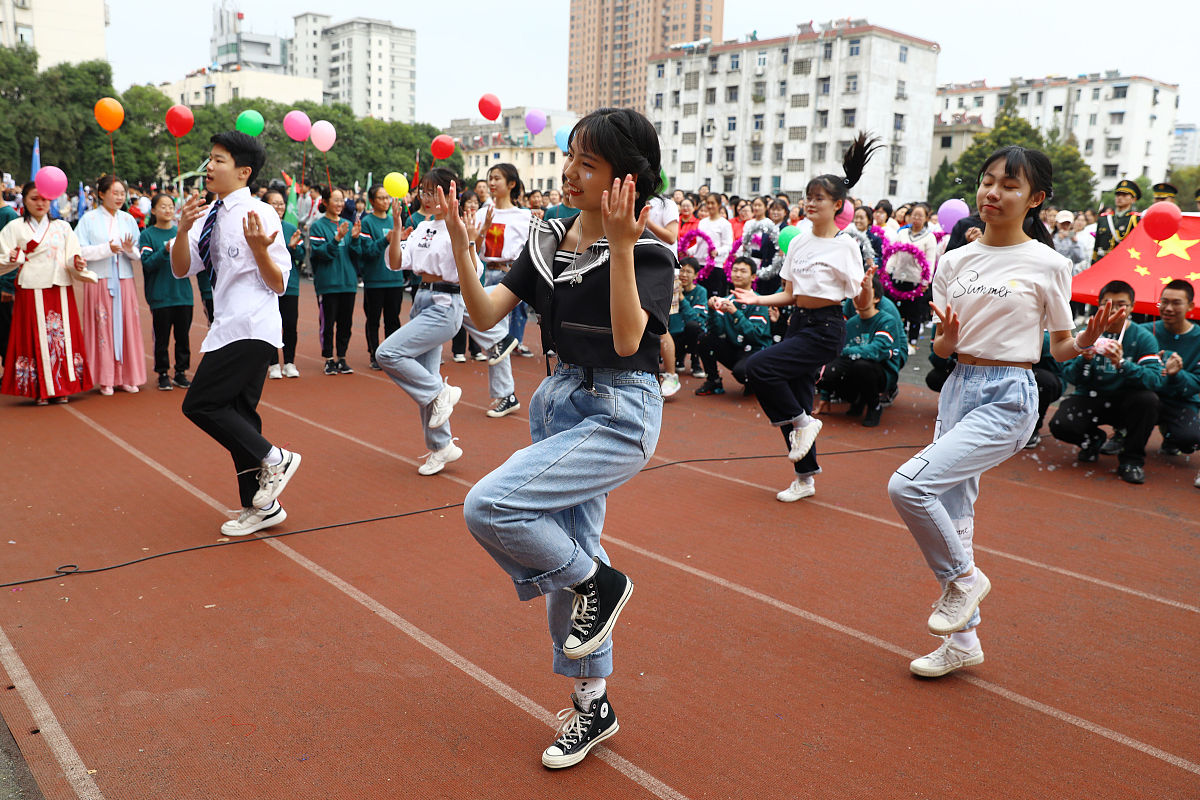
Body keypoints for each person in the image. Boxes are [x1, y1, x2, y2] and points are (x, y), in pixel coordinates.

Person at [444, 108, 674, 770]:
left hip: (619, 413)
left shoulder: (652, 252)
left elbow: (632, 341)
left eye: (588, 163)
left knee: (493, 505)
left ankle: (600, 582)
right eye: (571, 155)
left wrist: (625, 246)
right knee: (570, 566)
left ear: (626, 181)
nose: (571, 171)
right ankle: (592, 704)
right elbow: (489, 317)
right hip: (558, 402)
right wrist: (463, 246)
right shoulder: (547, 236)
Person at [889, 145, 1123, 678]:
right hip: (958, 387)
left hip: (1009, 394)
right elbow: (942, 352)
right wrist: (944, 343)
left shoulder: (1050, 263)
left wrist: (1086, 339)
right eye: (987, 181)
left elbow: (1058, 347)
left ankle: (965, 579)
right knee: (954, 514)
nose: (993, 192)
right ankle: (963, 642)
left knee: (908, 486)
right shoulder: (954, 261)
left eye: (1010, 185)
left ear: (1036, 199)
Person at [737, 134, 880, 503]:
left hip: (826, 327)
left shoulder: (846, 245)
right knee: (798, 396)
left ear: (838, 205)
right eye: (808, 196)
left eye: (818, 198)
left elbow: (858, 298)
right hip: (797, 322)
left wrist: (866, 286)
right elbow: (790, 293)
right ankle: (805, 477)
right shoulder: (798, 240)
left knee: (759, 369)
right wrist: (756, 297)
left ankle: (803, 422)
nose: (810, 203)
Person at [171, 131, 301, 536]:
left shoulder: (259, 213)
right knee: (240, 416)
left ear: (243, 171)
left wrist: (261, 251)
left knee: (201, 404)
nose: (209, 166)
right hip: (225, 324)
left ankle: (275, 457)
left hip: (252, 326)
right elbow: (180, 269)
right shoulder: (208, 215)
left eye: (219, 160)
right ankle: (261, 508)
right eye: (209, 158)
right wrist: (180, 230)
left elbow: (279, 283)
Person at [376, 167, 470, 476]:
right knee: (424, 378)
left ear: (449, 193)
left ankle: (440, 392)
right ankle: (442, 447)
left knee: (387, 353)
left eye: (434, 191)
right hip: (421, 300)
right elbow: (395, 263)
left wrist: (463, 236)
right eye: (424, 191)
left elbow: (473, 271)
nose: (426, 197)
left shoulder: (457, 227)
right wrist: (396, 227)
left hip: (445, 305)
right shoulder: (421, 227)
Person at [1049, 280, 1163, 483]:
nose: (1114, 309)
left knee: (1149, 401)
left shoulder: (1143, 337)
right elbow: (1068, 375)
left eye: (1121, 304)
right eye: (1107, 303)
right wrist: (1083, 359)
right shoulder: (1086, 331)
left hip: (1125, 401)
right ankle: (1093, 440)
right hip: (1090, 398)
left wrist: (1122, 364)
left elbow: (1154, 380)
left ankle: (1131, 460)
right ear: (1098, 304)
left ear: (1132, 307)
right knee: (1060, 424)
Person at [0, 182, 93, 403]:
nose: (40, 203)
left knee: (62, 337)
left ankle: (63, 386)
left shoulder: (63, 227)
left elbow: (72, 254)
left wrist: (77, 262)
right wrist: (16, 257)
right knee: (33, 334)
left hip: (58, 286)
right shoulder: (15, 228)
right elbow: (4, 256)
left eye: (44, 199)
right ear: (24, 200)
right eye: (34, 198)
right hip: (30, 287)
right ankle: (38, 389)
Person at [75, 175, 147, 394]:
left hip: (124, 279)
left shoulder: (128, 219)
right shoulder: (89, 219)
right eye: (114, 193)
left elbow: (138, 253)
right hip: (100, 279)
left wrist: (127, 249)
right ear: (101, 194)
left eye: (122, 194)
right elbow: (79, 250)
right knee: (102, 328)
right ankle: (105, 377)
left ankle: (128, 375)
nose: (119, 197)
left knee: (127, 325)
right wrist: (107, 248)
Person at [818, 273, 906, 428]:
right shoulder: (851, 323)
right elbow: (836, 351)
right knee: (825, 372)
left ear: (877, 298)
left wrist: (847, 352)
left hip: (882, 370)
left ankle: (874, 406)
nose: (859, 297)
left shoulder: (886, 319)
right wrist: (824, 393)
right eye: (856, 293)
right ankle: (857, 399)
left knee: (862, 366)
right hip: (854, 363)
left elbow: (877, 350)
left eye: (865, 292)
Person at [1146, 281, 1200, 489]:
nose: (1168, 308)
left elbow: (1196, 384)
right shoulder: (1145, 331)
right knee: (1140, 400)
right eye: (1164, 302)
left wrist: (1177, 375)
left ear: (1190, 306)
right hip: (1147, 398)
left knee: (1190, 440)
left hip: (1181, 401)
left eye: (1176, 303)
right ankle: (1124, 432)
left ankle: (1171, 436)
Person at [138, 193, 193, 391]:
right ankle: (162, 373)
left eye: (170, 206)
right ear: (153, 210)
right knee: (161, 338)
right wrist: (165, 251)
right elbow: (147, 263)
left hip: (183, 295)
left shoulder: (181, 232)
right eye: (163, 206)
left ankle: (180, 372)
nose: (168, 210)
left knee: (183, 337)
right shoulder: (147, 235)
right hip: (161, 296)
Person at [694, 257, 770, 396]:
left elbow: (755, 336)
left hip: (756, 351)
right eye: (735, 270)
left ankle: (755, 382)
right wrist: (712, 310)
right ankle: (714, 381)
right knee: (704, 338)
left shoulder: (758, 301)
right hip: (735, 349)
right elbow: (716, 331)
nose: (738, 274)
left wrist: (735, 312)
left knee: (742, 372)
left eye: (743, 271)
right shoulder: (727, 300)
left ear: (753, 277)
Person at [353, 184, 405, 371]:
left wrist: (403, 237)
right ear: (372, 201)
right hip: (375, 280)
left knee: (393, 319)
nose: (386, 201)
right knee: (374, 319)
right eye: (381, 198)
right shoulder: (367, 223)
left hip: (395, 279)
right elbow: (367, 252)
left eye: (387, 198)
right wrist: (386, 239)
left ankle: (391, 354)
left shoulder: (394, 220)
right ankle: (374, 354)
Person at [308, 187, 358, 375]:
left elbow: (356, 254)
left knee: (346, 323)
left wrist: (355, 240)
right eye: (335, 200)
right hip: (328, 283)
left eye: (341, 200)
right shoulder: (318, 226)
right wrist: (337, 238)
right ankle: (329, 358)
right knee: (328, 323)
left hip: (348, 282)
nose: (339, 204)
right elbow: (321, 253)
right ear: (326, 202)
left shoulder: (348, 223)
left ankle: (342, 358)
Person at [263, 189, 306, 379]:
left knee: (289, 324)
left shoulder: (291, 228)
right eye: (274, 203)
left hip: (290, 284)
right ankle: (272, 364)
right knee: (270, 325)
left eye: (281, 203)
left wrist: (294, 248)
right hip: (267, 285)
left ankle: (289, 362)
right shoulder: (261, 228)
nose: (279, 207)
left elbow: (301, 256)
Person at [884, 201, 937, 354]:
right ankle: (894, 340)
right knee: (896, 312)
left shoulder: (929, 238)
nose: (916, 219)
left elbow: (930, 260)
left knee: (914, 314)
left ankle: (911, 343)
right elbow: (894, 253)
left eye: (920, 216)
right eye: (914, 215)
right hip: (899, 277)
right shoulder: (902, 233)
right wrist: (888, 269)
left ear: (926, 218)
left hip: (916, 280)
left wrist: (926, 280)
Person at [669, 257, 707, 376]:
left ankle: (695, 363)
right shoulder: (670, 288)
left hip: (691, 333)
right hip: (673, 335)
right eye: (681, 271)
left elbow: (696, 319)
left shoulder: (700, 291)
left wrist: (681, 297)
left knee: (693, 326)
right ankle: (678, 359)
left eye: (688, 272)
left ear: (695, 275)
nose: (684, 275)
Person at [1092, 179, 1140, 264]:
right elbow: (1096, 245)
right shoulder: (1104, 218)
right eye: (1118, 194)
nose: (1120, 197)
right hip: (1102, 263)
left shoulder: (1136, 219)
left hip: (1122, 264)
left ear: (1133, 199)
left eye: (1125, 195)